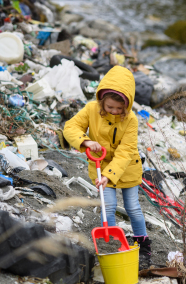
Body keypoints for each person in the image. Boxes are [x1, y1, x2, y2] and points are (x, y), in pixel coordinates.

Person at [63, 66, 151, 266]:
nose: (114, 111)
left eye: (119, 109)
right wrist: (85, 141)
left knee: (133, 207)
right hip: (100, 165)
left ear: (127, 106)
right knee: (108, 205)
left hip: (127, 167)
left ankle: (143, 244)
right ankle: (112, 244)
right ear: (102, 100)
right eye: (110, 107)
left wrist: (109, 176)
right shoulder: (91, 109)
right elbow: (71, 127)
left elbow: (126, 151)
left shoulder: (131, 120)